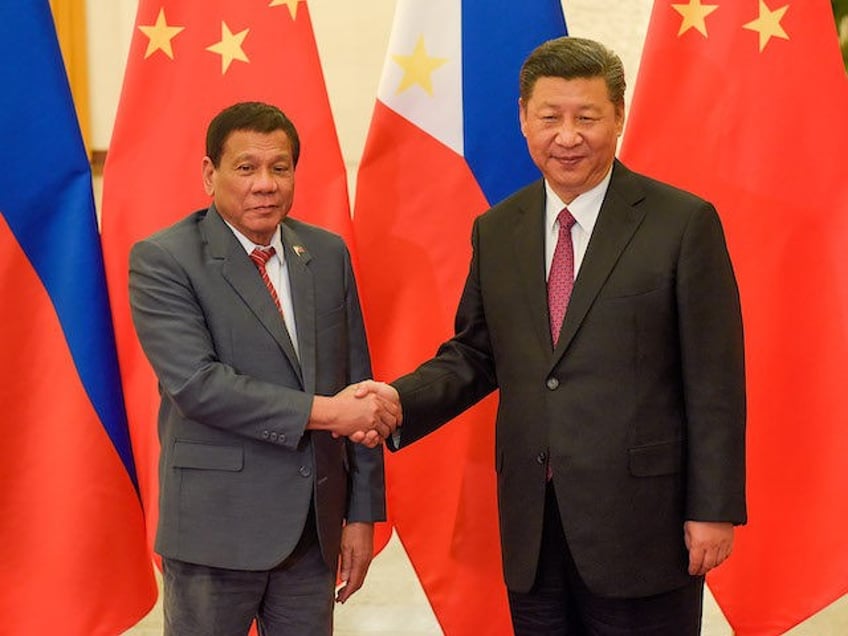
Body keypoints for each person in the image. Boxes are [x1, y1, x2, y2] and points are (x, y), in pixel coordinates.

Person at [358, 36, 746, 634]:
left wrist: (714, 509)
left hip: (644, 526)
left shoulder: (682, 222)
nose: (567, 136)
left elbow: (714, 378)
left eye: (586, 117)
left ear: (618, 117)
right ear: (522, 118)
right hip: (534, 526)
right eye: (550, 117)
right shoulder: (498, 228)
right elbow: (476, 353)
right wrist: (396, 400)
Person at [129, 101, 397, 635]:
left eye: (280, 167)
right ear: (211, 174)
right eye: (246, 167)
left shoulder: (325, 254)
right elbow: (197, 386)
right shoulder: (165, 258)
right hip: (215, 532)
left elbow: (357, 385)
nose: (265, 184)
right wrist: (328, 414)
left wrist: (362, 513)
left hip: (312, 534)